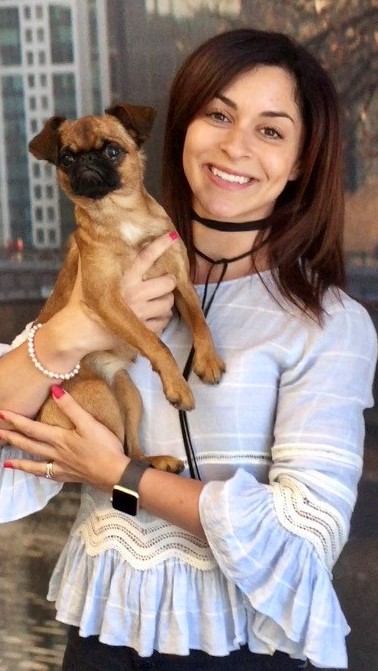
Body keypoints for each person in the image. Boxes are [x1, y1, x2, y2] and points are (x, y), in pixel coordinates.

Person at [0, 28, 376, 671]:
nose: (235, 145)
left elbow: (305, 537)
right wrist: (69, 334)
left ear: (303, 161)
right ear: (182, 129)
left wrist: (120, 474)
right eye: (219, 115)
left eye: (271, 130)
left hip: (248, 645)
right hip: (103, 635)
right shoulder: (92, 279)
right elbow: (13, 452)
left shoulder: (327, 322)